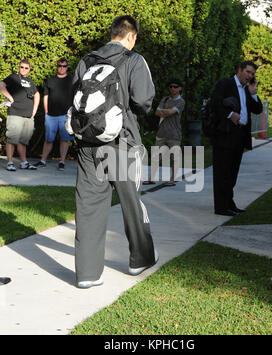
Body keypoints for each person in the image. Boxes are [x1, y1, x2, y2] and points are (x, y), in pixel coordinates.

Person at [72, 15, 158, 289]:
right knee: (131, 201)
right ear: (131, 36)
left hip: (87, 145)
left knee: (88, 206)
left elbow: (75, 97)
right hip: (123, 142)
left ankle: (87, 273)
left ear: (112, 33)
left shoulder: (86, 60)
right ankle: (140, 259)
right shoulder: (134, 60)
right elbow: (144, 102)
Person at [211, 60, 263, 216]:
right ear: (239, 70)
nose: (250, 76)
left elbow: (257, 109)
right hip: (225, 135)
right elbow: (215, 103)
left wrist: (253, 93)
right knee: (222, 173)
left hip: (239, 136)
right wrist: (230, 114)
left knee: (232, 173)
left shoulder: (247, 90)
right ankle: (221, 207)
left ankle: (229, 203)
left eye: (252, 74)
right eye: (248, 72)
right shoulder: (225, 84)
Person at [143, 79, 185, 186]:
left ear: (180, 88)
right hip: (161, 133)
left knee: (174, 158)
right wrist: (167, 112)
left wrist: (165, 111)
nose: (172, 88)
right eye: (171, 86)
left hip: (174, 134)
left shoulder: (181, 101)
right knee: (156, 157)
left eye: (175, 86)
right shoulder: (165, 99)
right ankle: (151, 178)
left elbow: (171, 112)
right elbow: (157, 112)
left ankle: (172, 179)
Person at [0, 59, 40, 171]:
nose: (23, 69)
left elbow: (37, 94)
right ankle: (10, 163)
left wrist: (35, 110)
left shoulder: (30, 81)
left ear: (29, 69)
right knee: (12, 139)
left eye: (26, 68)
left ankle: (24, 162)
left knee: (24, 140)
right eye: (22, 67)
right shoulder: (13, 77)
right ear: (19, 67)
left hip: (28, 115)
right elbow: (1, 85)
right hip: (15, 113)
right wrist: (10, 97)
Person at [34, 58, 74, 171]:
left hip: (65, 116)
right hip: (51, 115)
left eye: (64, 66)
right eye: (60, 65)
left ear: (67, 68)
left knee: (64, 139)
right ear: (57, 66)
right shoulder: (50, 80)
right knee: (48, 140)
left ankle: (62, 162)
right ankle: (43, 161)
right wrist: (46, 112)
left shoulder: (71, 81)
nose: (62, 68)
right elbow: (45, 96)